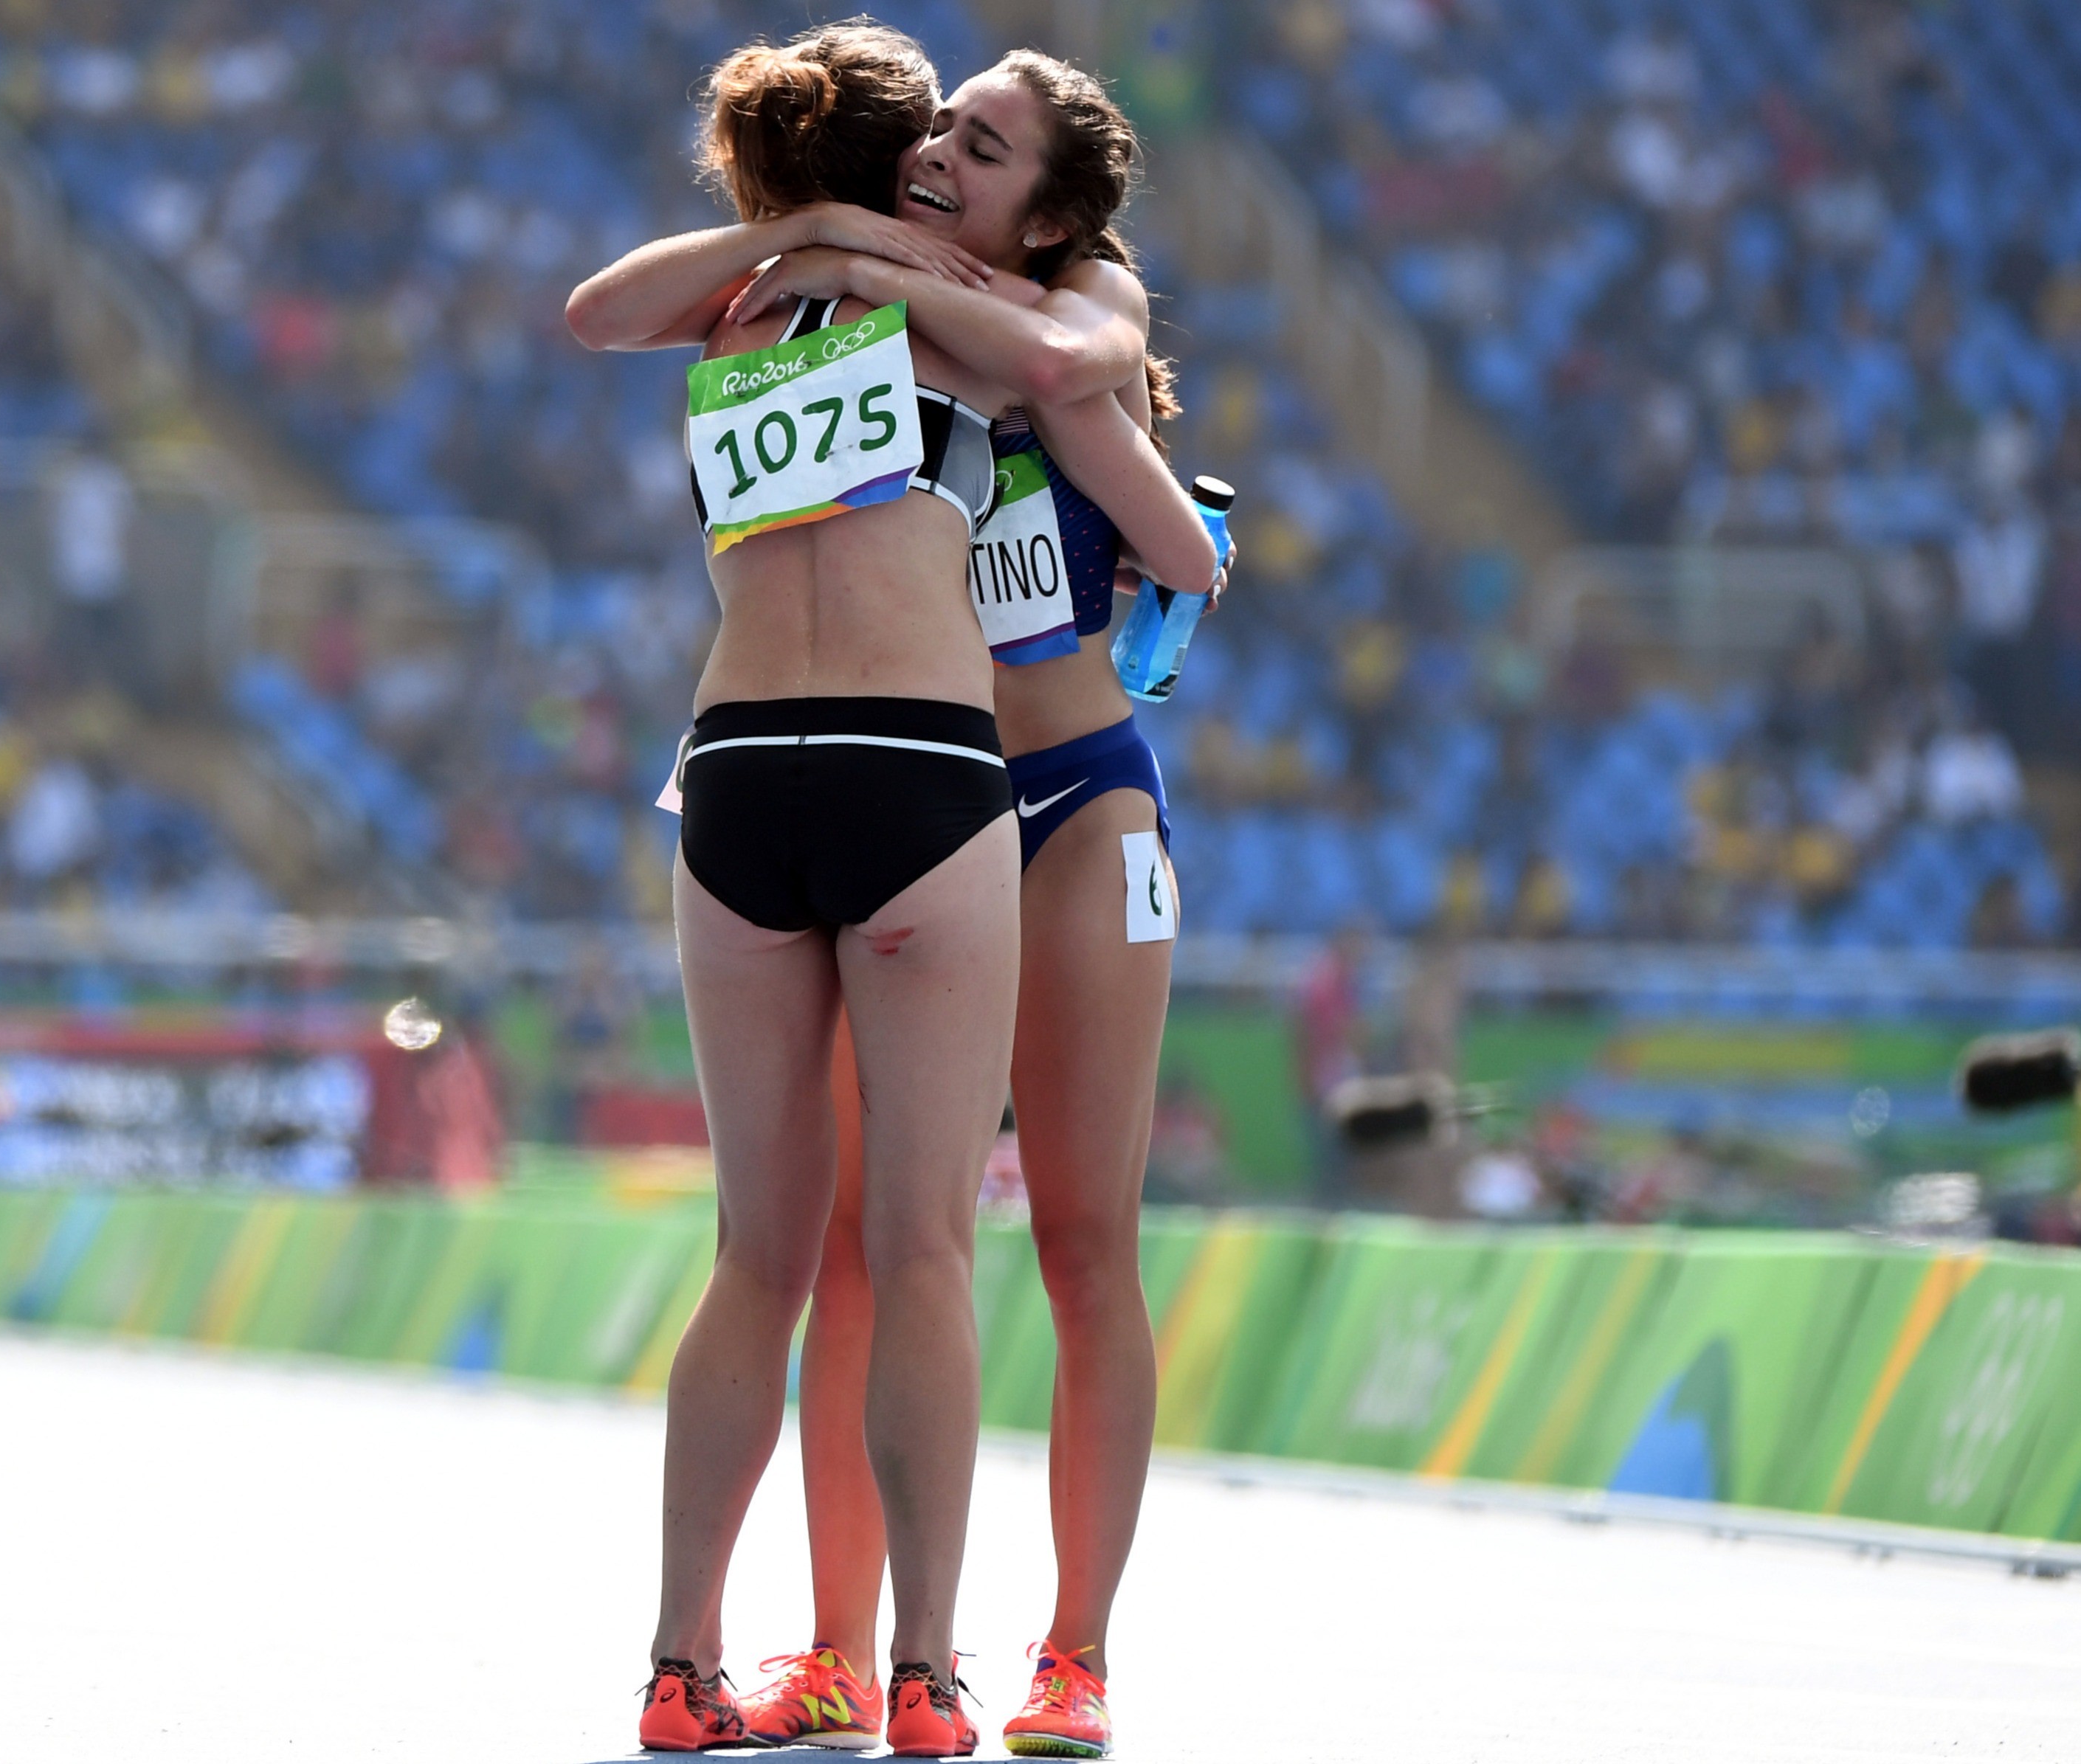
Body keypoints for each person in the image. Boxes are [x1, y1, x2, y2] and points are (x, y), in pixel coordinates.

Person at [568, 27, 1214, 1758]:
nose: (938, 155)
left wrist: (1070, 430)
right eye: (932, 131)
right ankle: (854, 1650)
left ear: (1048, 212)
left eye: (978, 145)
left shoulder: (1061, 318)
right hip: (912, 774)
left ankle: (1069, 1650)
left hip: (1060, 791)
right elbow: (609, 310)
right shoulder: (829, 305)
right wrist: (841, 248)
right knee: (863, 1243)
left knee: (1074, 1239)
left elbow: (1178, 536)